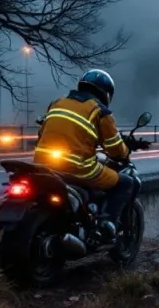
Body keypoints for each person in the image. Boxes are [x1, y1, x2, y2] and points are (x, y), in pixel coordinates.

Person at [32, 69, 146, 241]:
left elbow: (42, 134)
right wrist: (126, 151)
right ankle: (106, 226)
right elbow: (115, 148)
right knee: (125, 183)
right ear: (106, 93)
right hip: (77, 168)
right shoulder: (100, 112)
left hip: (43, 164)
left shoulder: (57, 102)